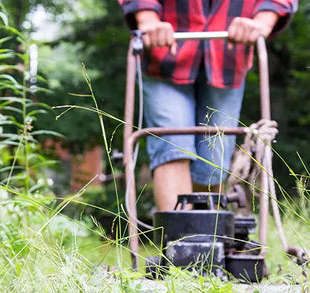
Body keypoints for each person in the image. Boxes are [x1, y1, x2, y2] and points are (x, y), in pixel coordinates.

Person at [120, 0, 297, 211]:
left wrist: (263, 21)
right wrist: (147, 18)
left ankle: (207, 238)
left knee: (214, 163)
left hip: (229, 56)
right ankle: (180, 241)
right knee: (173, 147)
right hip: (163, 52)